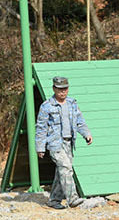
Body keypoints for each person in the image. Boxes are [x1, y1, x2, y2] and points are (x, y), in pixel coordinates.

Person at [35, 76, 93, 209]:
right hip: (55, 144)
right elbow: (41, 127)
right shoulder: (47, 106)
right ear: (54, 89)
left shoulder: (72, 103)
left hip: (68, 143)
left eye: (65, 89)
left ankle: (54, 200)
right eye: (59, 89)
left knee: (61, 172)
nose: (63, 92)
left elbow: (80, 121)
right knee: (66, 168)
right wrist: (40, 147)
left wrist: (86, 134)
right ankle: (72, 198)